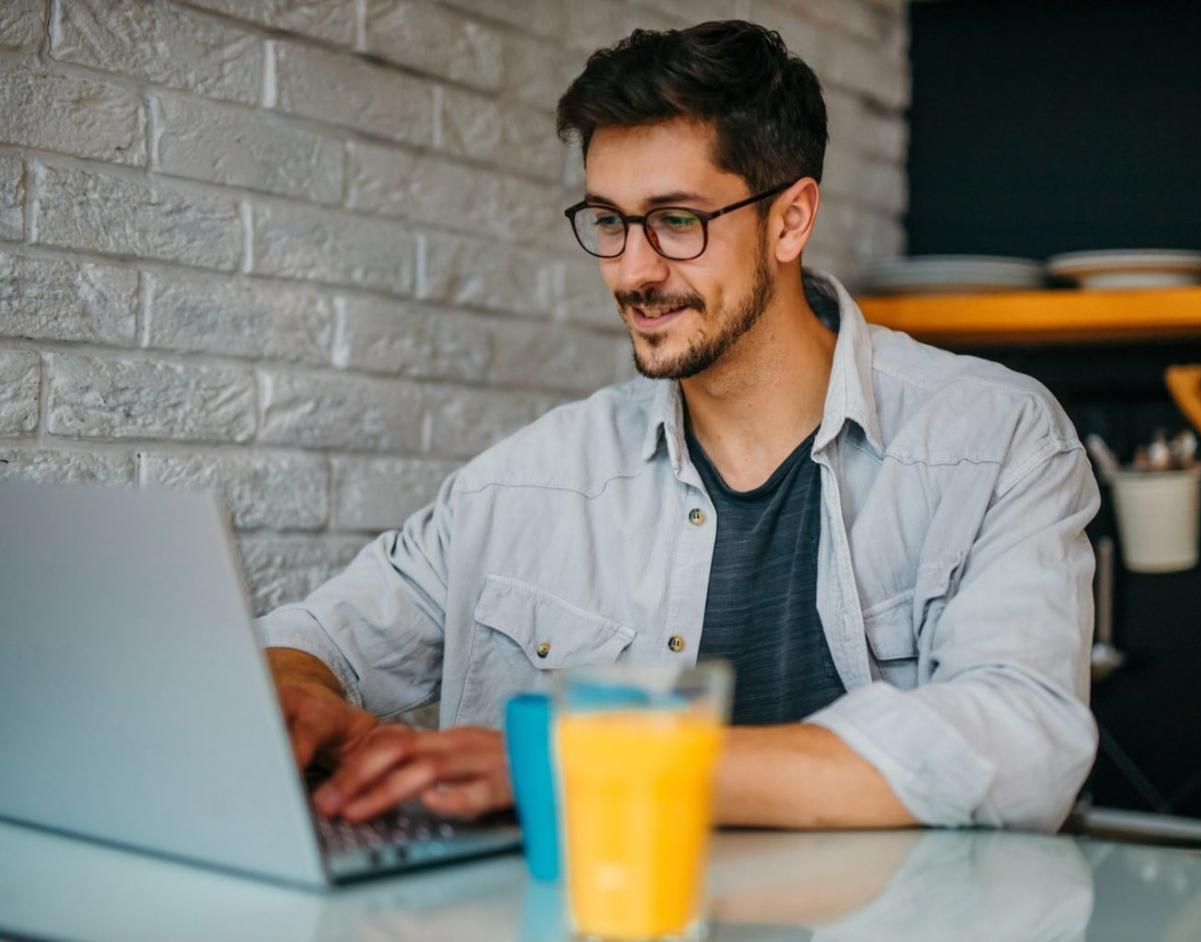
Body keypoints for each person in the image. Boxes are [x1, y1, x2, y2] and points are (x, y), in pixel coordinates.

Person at [261, 20, 1100, 832]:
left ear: (790, 219)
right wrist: (311, 708)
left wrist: (596, 762)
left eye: (676, 221)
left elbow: (1024, 746)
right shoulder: (527, 483)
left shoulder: (991, 439)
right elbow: (305, 645)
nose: (632, 270)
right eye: (609, 221)